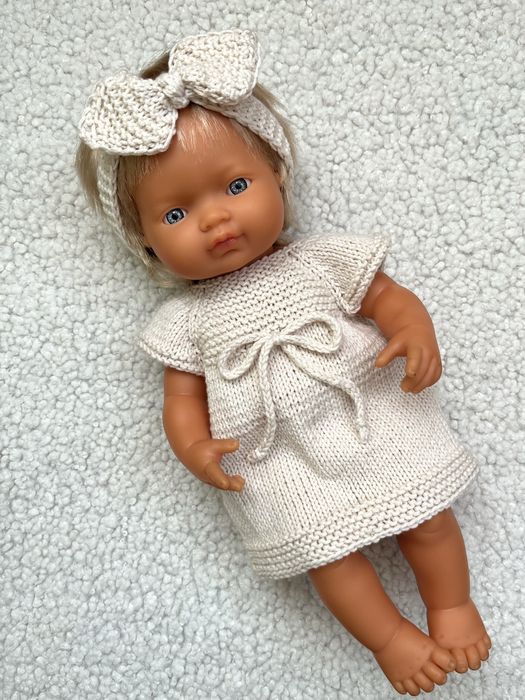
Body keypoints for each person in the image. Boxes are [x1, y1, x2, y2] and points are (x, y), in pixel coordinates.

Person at [75, 28, 491, 695]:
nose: (215, 220)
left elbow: (386, 297)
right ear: (145, 243)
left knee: (428, 517)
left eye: (236, 185)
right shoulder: (186, 320)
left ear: (277, 176)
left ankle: (451, 606)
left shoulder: (319, 261)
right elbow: (180, 399)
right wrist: (194, 448)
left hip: (368, 421)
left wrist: (413, 329)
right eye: (176, 213)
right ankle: (390, 638)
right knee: (328, 557)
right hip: (276, 457)